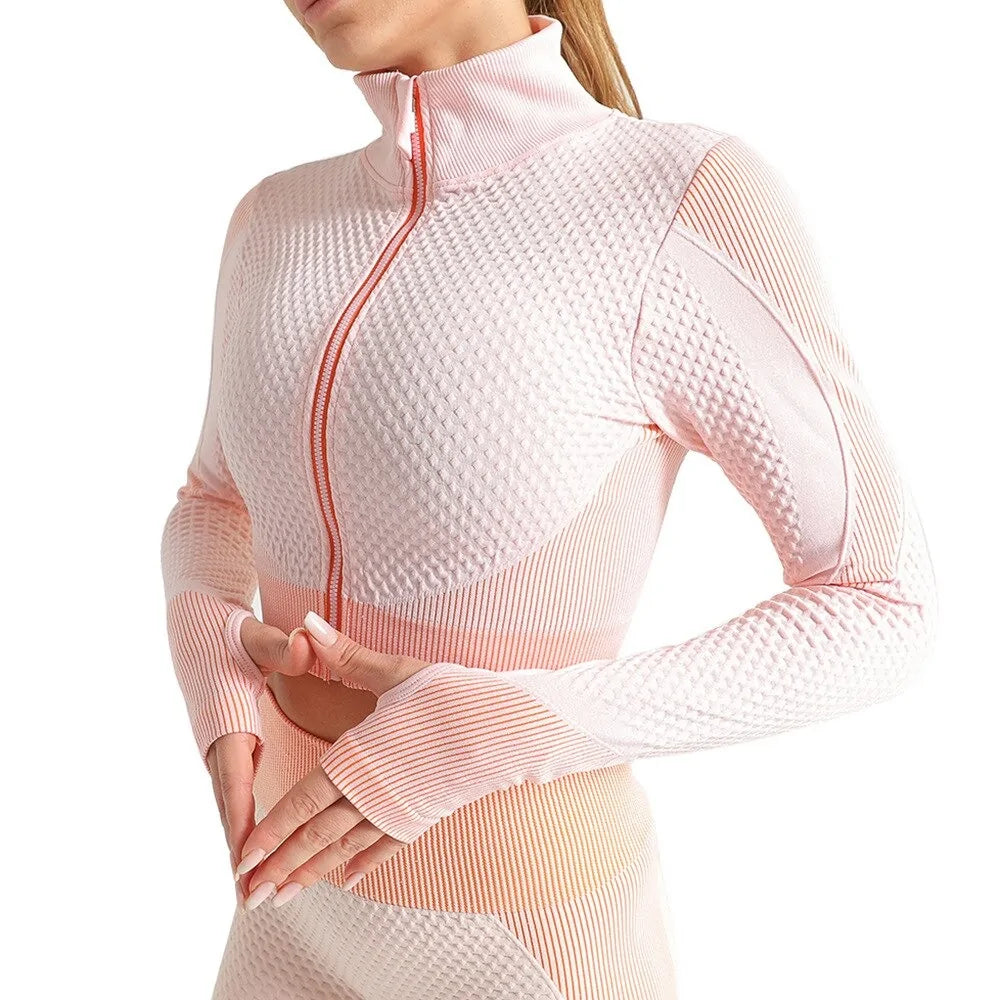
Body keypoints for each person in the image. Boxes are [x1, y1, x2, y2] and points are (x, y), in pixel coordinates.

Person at [159, 2, 939, 997]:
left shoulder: (673, 198)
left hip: (529, 934)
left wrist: (501, 726)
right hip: (286, 916)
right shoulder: (275, 219)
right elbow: (213, 499)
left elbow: (883, 602)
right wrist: (212, 654)